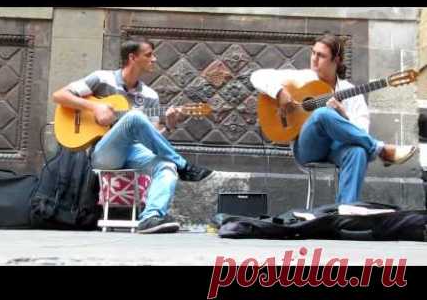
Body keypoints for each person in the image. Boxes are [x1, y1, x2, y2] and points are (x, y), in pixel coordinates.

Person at [53, 38, 214, 233]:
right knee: (135, 116)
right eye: (149, 55)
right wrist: (95, 106)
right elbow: (59, 95)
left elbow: (152, 138)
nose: (154, 59)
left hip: (135, 153)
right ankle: (184, 166)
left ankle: (150, 217)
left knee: (167, 165)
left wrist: (170, 125)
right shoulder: (102, 79)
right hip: (104, 153)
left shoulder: (150, 95)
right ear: (132, 57)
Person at [250, 33, 416, 204]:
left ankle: (344, 215)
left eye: (321, 56)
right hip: (308, 148)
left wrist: (344, 116)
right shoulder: (302, 78)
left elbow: (361, 133)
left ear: (336, 60)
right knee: (323, 114)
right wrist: (280, 92)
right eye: (313, 53)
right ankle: (380, 150)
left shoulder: (350, 91)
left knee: (358, 151)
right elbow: (256, 76)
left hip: (337, 150)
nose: (314, 59)